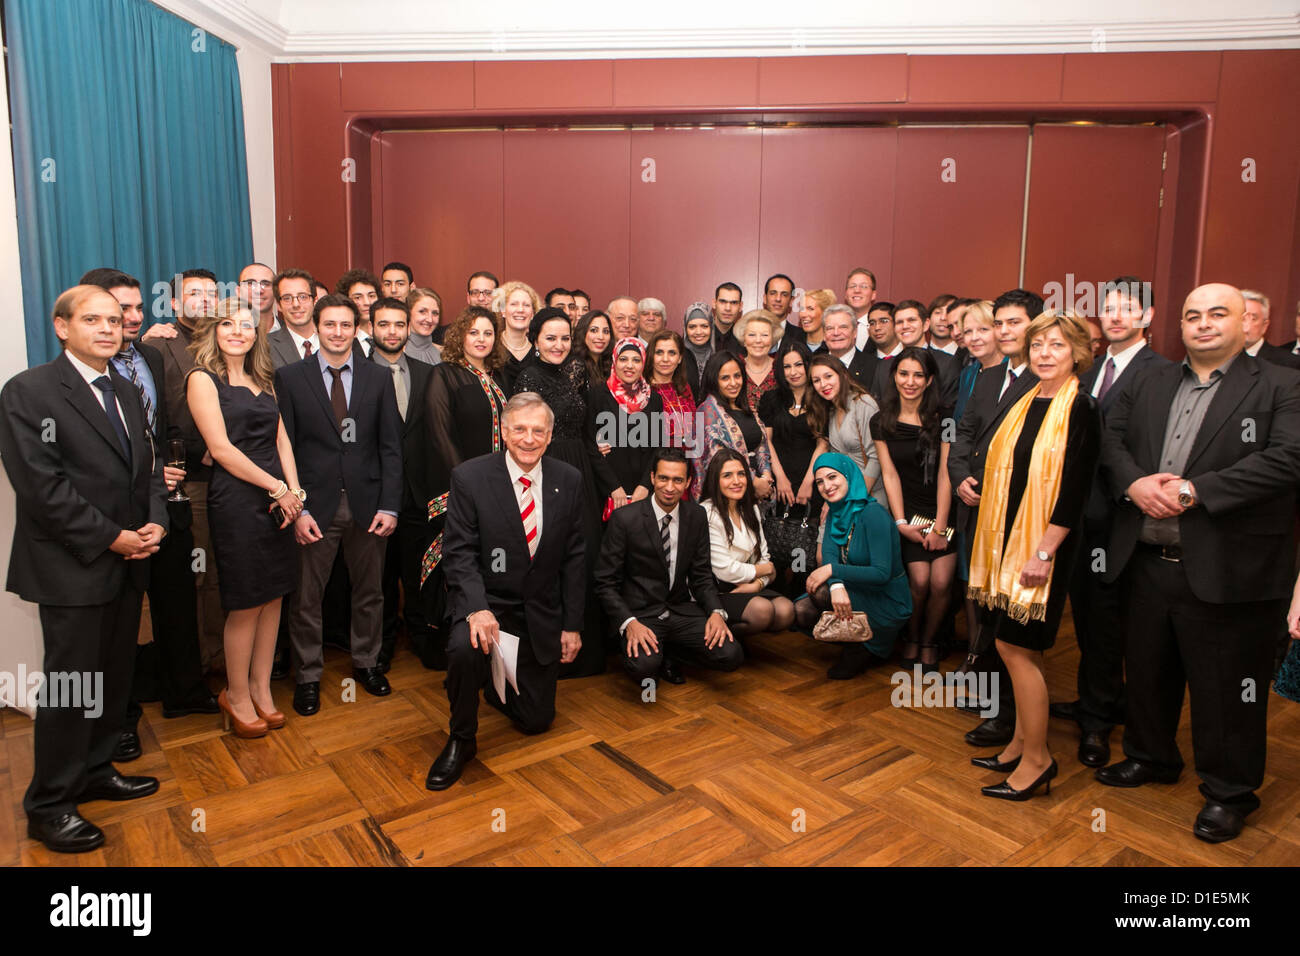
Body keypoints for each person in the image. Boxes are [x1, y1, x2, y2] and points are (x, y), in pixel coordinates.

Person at [1096, 283, 1300, 843]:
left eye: (1217, 314)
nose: (1203, 324)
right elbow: (1109, 441)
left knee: (1227, 690)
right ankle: (1151, 756)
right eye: (1192, 315)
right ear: (1177, 325)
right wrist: (1136, 483)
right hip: (1145, 558)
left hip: (1231, 569)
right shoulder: (1151, 378)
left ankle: (1229, 793)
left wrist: (1194, 491)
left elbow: (1288, 459)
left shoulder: (1284, 383)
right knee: (1149, 671)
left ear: (1247, 322)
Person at [0, 285, 166, 853]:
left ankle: (97, 771)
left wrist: (155, 524)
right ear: (61, 326)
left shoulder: (124, 386)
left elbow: (148, 468)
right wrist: (112, 537)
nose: (107, 328)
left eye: (115, 320)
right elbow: (41, 487)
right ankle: (49, 804)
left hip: (129, 561)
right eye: (92, 319)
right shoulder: (29, 391)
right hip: (72, 565)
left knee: (112, 679)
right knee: (73, 686)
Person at [82, 269, 216, 759]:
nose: (133, 319)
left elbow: (164, 425)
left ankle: (185, 692)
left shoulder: (152, 357)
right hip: (114, 515)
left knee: (178, 594)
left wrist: (171, 466)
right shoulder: (82, 377)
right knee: (123, 620)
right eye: (121, 312)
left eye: (138, 309)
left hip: (167, 498)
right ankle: (123, 717)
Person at [967, 311, 1100, 801]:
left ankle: (1039, 761)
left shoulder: (1081, 407)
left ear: (1077, 354)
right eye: (1039, 344)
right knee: (1009, 646)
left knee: (1019, 649)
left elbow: (1074, 490)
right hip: (1006, 543)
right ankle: (1021, 743)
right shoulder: (1027, 400)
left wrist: (1044, 551)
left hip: (1044, 548)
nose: (1045, 354)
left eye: (1057, 346)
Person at [424, 394, 588, 790]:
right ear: (503, 431)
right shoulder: (470, 477)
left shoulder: (569, 479)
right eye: (519, 429)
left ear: (550, 437)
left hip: (537, 613)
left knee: (536, 722)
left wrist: (572, 625)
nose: (528, 439)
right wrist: (477, 609)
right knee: (465, 647)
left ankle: (497, 684)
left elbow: (576, 557)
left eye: (537, 431)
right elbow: (459, 552)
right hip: (487, 605)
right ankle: (461, 738)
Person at [1059, 277, 1171, 768]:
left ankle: (1099, 723)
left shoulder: (1161, 374)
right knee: (1086, 620)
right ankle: (1095, 701)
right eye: (1110, 308)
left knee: (1109, 626)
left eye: (1129, 308)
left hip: (1124, 523)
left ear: (1147, 317)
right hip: (1080, 519)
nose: (1117, 315)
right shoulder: (1087, 371)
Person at [276, 294, 403, 717]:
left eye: (346, 325)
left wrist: (390, 504)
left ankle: (367, 663)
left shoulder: (377, 377)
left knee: (370, 593)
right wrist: (299, 508)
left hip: (369, 505)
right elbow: (285, 447)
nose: (338, 332)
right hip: (314, 507)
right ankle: (308, 676)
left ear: (356, 328)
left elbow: (391, 448)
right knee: (307, 597)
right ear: (316, 327)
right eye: (329, 324)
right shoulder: (291, 378)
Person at [186, 299, 304, 738]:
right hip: (237, 498)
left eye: (247, 325)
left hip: (278, 499)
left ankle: (261, 688)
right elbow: (220, 451)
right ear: (214, 331)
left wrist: (295, 492)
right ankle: (235, 694)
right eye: (229, 324)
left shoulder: (263, 380)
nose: (239, 331)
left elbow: (283, 441)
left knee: (274, 595)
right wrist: (277, 489)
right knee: (245, 600)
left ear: (257, 334)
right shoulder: (202, 379)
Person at [948, 287, 1044, 748]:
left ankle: (1010, 718)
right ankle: (995, 705)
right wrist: (960, 476)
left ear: (1036, 327)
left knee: (1009, 619)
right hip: (975, 510)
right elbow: (964, 434)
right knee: (984, 608)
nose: (1004, 332)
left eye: (1013, 324)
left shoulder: (1049, 382)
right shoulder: (987, 375)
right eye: (999, 323)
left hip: (1018, 519)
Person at [513, 308, 608, 676]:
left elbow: (585, 427)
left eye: (565, 338)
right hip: (544, 470)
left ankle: (585, 649)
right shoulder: (527, 378)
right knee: (551, 557)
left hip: (579, 470)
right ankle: (550, 654)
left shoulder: (575, 372)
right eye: (550, 338)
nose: (559, 345)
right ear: (536, 340)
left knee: (583, 555)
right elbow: (524, 438)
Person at [596, 448, 739, 687]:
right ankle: (656, 655)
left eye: (677, 480)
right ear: (652, 478)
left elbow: (701, 574)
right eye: (663, 478)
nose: (669, 487)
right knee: (644, 668)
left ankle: (670, 651)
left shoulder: (696, 515)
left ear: (688, 482)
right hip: (641, 614)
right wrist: (629, 623)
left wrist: (716, 612)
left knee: (731, 655)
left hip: (681, 611)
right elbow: (604, 582)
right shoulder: (625, 518)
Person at [142, 269, 226, 669]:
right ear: (174, 303)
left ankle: (229, 658)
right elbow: (156, 416)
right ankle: (199, 664)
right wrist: (198, 451)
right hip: (191, 480)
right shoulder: (159, 345)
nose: (206, 299)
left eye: (212, 293)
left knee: (228, 573)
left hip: (237, 479)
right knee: (200, 574)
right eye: (195, 294)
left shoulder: (230, 337)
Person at [423, 306, 510, 668]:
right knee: (453, 562)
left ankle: (484, 639)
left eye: (488, 333)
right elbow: (440, 433)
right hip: (457, 487)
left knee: (485, 562)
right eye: (474, 332)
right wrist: (466, 486)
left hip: (496, 487)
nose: (481, 339)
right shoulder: (445, 374)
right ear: (461, 336)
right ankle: (447, 643)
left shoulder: (498, 376)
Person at [872, 347, 955, 672]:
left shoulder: (945, 419)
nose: (910, 381)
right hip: (909, 514)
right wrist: (900, 522)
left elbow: (947, 473)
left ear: (930, 379)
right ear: (894, 376)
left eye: (918, 375)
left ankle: (930, 642)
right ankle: (911, 638)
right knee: (919, 582)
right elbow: (889, 473)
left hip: (944, 510)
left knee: (941, 583)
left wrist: (940, 526)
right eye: (904, 373)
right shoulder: (882, 420)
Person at [793, 452, 912, 678]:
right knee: (801, 609)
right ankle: (853, 638)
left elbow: (881, 573)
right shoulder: (835, 511)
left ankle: (865, 645)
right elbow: (829, 553)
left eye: (832, 477)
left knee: (818, 594)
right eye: (820, 482)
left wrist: (832, 571)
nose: (827, 486)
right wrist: (836, 585)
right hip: (857, 589)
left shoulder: (873, 513)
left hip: (887, 599)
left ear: (848, 476)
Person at [369, 297, 438, 672]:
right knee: (378, 578)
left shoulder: (428, 374)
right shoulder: (359, 372)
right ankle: (380, 647)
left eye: (399, 324)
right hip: (375, 493)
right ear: (372, 328)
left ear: (408, 328)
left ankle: (422, 637)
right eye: (384, 324)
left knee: (417, 573)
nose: (392, 332)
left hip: (419, 493)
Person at [700, 450, 795, 637]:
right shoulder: (707, 512)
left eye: (741, 474)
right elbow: (725, 570)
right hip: (718, 590)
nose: (737, 481)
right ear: (715, 480)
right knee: (763, 611)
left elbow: (764, 556)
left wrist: (757, 585)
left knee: (786, 611)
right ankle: (724, 638)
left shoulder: (750, 508)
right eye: (727, 475)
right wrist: (764, 571)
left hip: (747, 584)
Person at [589, 336, 665, 511]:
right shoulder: (598, 396)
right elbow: (590, 446)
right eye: (623, 359)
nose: (629, 365)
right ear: (615, 361)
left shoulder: (654, 400)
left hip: (643, 490)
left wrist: (646, 485)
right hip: (607, 492)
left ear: (643, 364)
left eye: (636, 360)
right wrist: (614, 488)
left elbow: (659, 447)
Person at [693, 351, 774, 501]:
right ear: (713, 380)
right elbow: (715, 457)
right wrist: (754, 482)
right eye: (725, 378)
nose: (733, 383)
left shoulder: (746, 408)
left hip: (758, 493)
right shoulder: (705, 412)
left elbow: (762, 444)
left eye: (737, 376)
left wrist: (766, 477)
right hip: (725, 495)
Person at [760, 340, 824, 523]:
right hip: (780, 482)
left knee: (809, 537)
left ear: (808, 365)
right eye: (787, 367)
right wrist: (780, 478)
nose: (793, 372)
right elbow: (767, 441)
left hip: (813, 480)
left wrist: (808, 482)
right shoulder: (771, 398)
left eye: (798, 365)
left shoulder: (821, 398)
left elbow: (823, 444)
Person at [807, 353, 882, 492]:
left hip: (869, 494)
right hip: (844, 495)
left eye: (828, 376)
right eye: (816, 380)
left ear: (843, 375)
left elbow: (876, 457)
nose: (823, 384)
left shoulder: (864, 404)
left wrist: (857, 495)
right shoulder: (831, 411)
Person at [889, 299, 959, 405]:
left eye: (911, 320)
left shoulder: (948, 363)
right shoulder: (884, 365)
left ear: (926, 324)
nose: (905, 326)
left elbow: (949, 412)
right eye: (899, 322)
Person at [646, 329, 700, 464]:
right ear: (651, 356)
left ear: (680, 358)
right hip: (655, 463)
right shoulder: (642, 390)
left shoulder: (684, 387)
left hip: (687, 461)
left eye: (672, 353)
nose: (665, 359)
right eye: (659, 352)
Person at [953, 300, 1001, 420]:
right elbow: (958, 417)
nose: (974, 338)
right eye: (968, 331)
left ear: (998, 331)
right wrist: (949, 438)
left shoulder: (1013, 374)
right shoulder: (968, 373)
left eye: (983, 329)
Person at [267, 269, 320, 368]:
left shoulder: (334, 339)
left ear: (315, 301)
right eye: (287, 298)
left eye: (303, 297)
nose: (296, 304)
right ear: (278, 305)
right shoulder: (266, 347)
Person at [495, 280, 539, 391]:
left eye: (526, 305)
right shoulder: (491, 347)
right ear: (503, 311)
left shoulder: (540, 351)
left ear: (533, 313)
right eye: (514, 304)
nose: (520, 310)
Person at [1241, 289, 1300, 369]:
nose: (1245, 325)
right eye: (1241, 318)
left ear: (1265, 326)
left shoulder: (1290, 363)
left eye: (1253, 318)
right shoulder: (1220, 357)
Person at [737, 309, 782, 413]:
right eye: (752, 335)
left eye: (765, 335)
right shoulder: (734, 367)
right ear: (743, 339)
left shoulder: (782, 367)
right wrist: (698, 429)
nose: (758, 340)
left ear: (772, 339)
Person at [821, 304, 876, 389]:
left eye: (843, 327)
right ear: (824, 334)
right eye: (830, 328)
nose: (836, 333)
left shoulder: (875, 367)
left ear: (855, 332)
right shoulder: (814, 365)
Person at [335, 268, 381, 349]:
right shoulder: (341, 337)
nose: (367, 302)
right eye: (358, 297)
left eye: (371, 296)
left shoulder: (388, 334)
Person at [682, 302, 714, 397]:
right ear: (685, 329)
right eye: (692, 327)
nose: (698, 332)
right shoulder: (677, 356)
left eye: (704, 326)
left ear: (712, 328)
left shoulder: (718, 355)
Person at [572, 309, 613, 385]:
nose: (601, 337)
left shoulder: (610, 364)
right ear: (582, 333)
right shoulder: (576, 366)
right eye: (594, 330)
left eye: (606, 331)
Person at [403, 286, 444, 360]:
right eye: (422, 311)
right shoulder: (398, 352)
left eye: (435, 313)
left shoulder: (444, 354)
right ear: (408, 313)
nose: (430, 319)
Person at [844, 267, 878, 351]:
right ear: (846, 294)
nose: (857, 290)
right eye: (852, 286)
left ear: (873, 294)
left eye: (864, 286)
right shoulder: (836, 326)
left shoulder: (879, 326)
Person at [238, 263, 277, 334]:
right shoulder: (226, 335)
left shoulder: (292, 333)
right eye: (250, 283)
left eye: (266, 284)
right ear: (238, 291)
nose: (258, 290)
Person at [764, 273, 799, 347]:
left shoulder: (802, 336)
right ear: (765, 298)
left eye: (784, 294)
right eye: (773, 293)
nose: (778, 299)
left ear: (791, 301)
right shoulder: (748, 333)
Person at [711, 282, 745, 354]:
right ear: (714, 303)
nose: (728, 308)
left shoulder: (745, 341)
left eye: (734, 303)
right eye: (723, 302)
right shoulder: (700, 335)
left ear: (740, 306)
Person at [797, 289, 834, 353]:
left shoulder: (834, 346)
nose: (803, 314)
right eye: (801, 309)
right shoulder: (793, 344)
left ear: (825, 313)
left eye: (810, 309)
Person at [927, 293, 962, 359]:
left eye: (948, 312)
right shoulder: (919, 354)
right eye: (938, 312)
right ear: (928, 320)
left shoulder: (968, 357)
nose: (943, 318)